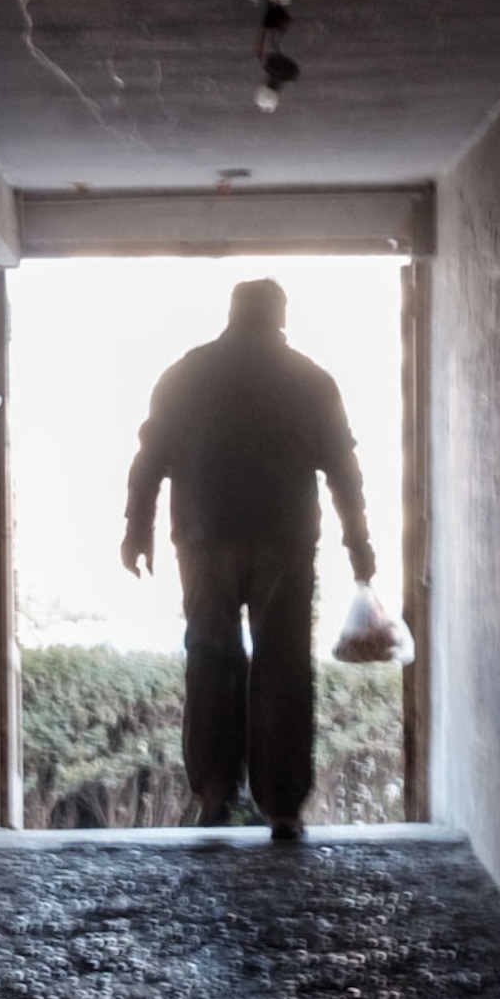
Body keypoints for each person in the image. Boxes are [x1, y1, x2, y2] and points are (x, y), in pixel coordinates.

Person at [121, 276, 374, 839]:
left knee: (210, 655)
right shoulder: (310, 379)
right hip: (284, 541)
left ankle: (214, 794)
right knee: (282, 664)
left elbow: (149, 459)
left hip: (204, 538)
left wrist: (137, 530)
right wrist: (359, 544)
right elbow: (343, 470)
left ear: (232, 313)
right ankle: (283, 806)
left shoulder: (185, 375)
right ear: (280, 316)